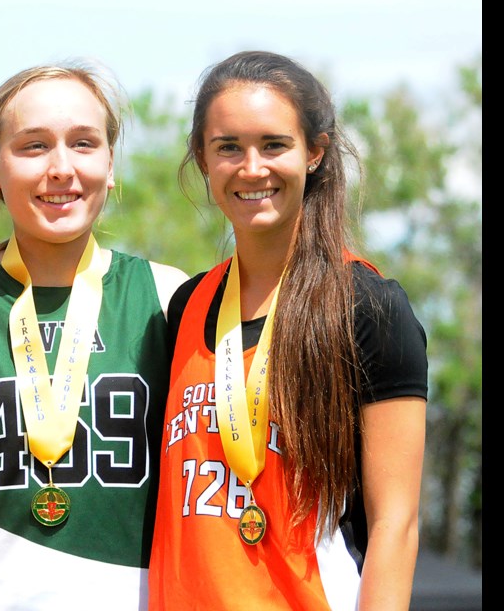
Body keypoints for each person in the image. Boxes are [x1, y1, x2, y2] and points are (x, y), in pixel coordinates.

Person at [148, 50, 428, 610]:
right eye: (228, 147)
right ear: (203, 160)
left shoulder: (366, 306)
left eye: (273, 145)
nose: (252, 168)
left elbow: (396, 524)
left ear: (315, 153)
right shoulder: (186, 306)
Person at [0, 63, 189, 610]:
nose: (61, 168)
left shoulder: (166, 297)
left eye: (83, 144)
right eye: (34, 146)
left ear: (110, 165)